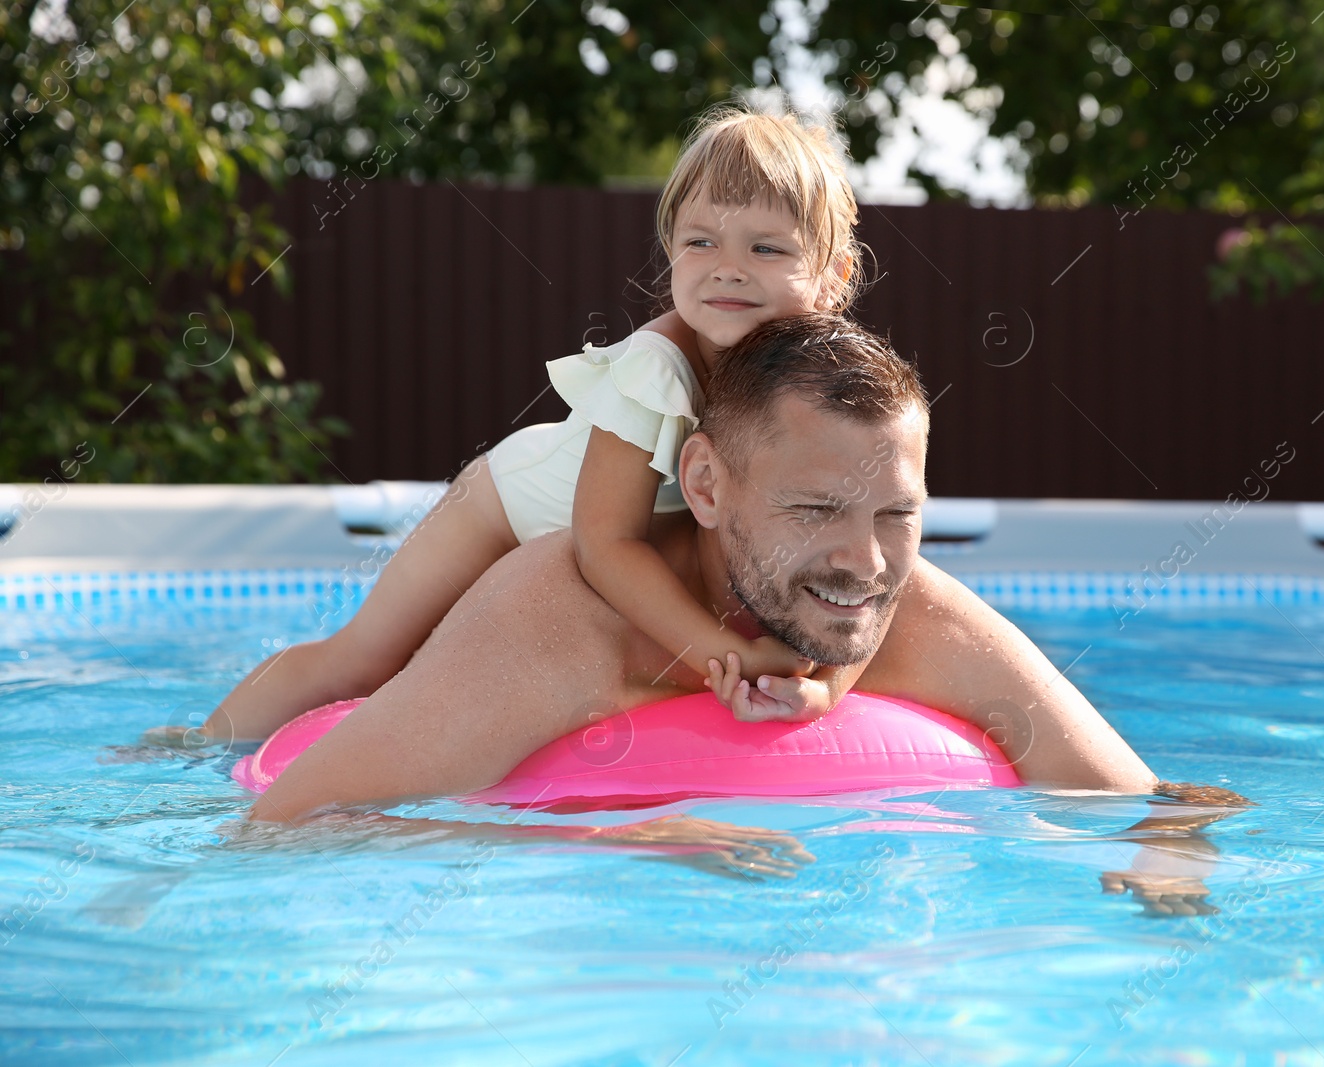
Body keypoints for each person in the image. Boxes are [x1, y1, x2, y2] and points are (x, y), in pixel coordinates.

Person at [243, 314, 1167, 829]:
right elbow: (285, 828)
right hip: (520, 488)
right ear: (705, 485)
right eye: (814, 510)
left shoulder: (910, 611)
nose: (867, 562)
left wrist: (1167, 872)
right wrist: (612, 839)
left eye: (898, 513)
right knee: (357, 657)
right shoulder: (556, 620)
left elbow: (1145, 803)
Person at [170, 104, 872, 749]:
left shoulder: (824, 386)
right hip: (511, 503)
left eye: (766, 249)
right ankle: (197, 746)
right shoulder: (657, 368)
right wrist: (732, 658)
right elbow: (605, 544)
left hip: (595, 516)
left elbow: (877, 551)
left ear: (834, 275)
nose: (728, 270)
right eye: (701, 241)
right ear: (670, 252)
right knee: (365, 660)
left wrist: (828, 682)